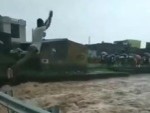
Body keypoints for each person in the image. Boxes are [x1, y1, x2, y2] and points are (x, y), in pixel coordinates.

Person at [7, 11, 53, 79]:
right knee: (25, 59)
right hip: (34, 48)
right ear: (41, 24)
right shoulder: (40, 29)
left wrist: (48, 17)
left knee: (32, 59)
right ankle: (11, 68)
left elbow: (45, 23)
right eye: (43, 23)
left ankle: (20, 52)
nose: (43, 24)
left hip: (32, 48)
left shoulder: (36, 29)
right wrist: (51, 17)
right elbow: (47, 25)